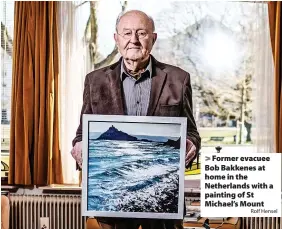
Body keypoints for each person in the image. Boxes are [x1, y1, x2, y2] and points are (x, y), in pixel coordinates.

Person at [71, 10, 201, 229]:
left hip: (163, 203)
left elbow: (191, 133)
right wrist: (79, 147)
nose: (134, 40)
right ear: (116, 39)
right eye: (127, 33)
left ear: (153, 38)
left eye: (141, 33)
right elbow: (82, 134)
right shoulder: (95, 81)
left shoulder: (179, 79)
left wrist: (191, 145)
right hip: (112, 202)